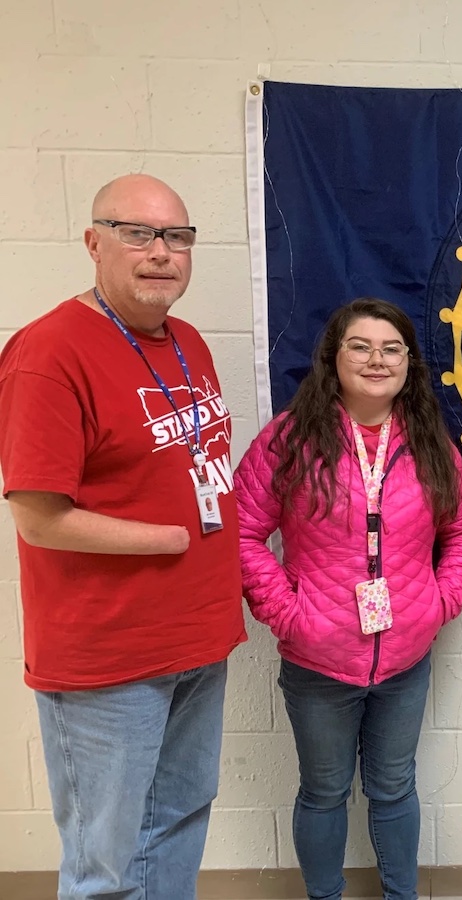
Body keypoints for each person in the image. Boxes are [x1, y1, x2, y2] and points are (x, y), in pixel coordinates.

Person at [0, 174, 246, 898]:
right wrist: (165, 542)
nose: (161, 252)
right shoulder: (47, 354)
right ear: (94, 243)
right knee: (105, 860)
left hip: (199, 639)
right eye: (137, 233)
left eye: (177, 236)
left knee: (177, 819)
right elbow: (37, 516)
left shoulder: (188, 343)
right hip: (109, 657)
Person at [236, 298, 462, 900]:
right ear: (334, 357)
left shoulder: (429, 442)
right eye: (361, 346)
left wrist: (441, 600)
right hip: (318, 662)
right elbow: (240, 529)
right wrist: (288, 613)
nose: (377, 359)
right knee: (322, 791)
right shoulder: (290, 439)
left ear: (408, 363)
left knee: (395, 787)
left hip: (404, 660)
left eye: (391, 348)